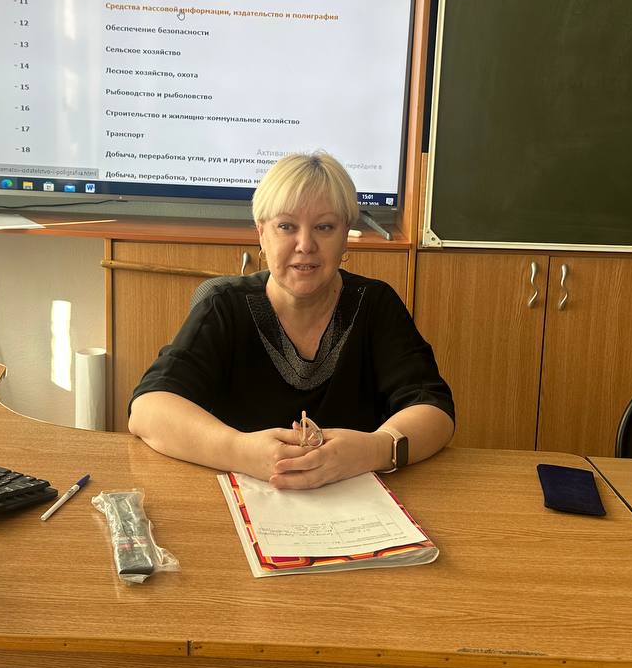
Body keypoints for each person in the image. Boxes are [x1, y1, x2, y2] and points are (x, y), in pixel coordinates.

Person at [129, 151, 454, 489]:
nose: (305, 245)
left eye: (324, 227)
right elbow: (148, 409)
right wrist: (242, 451)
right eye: (286, 226)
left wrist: (374, 450)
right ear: (261, 233)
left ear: (345, 235)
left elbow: (435, 412)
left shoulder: (375, 304)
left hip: (355, 502)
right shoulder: (224, 306)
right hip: (246, 498)